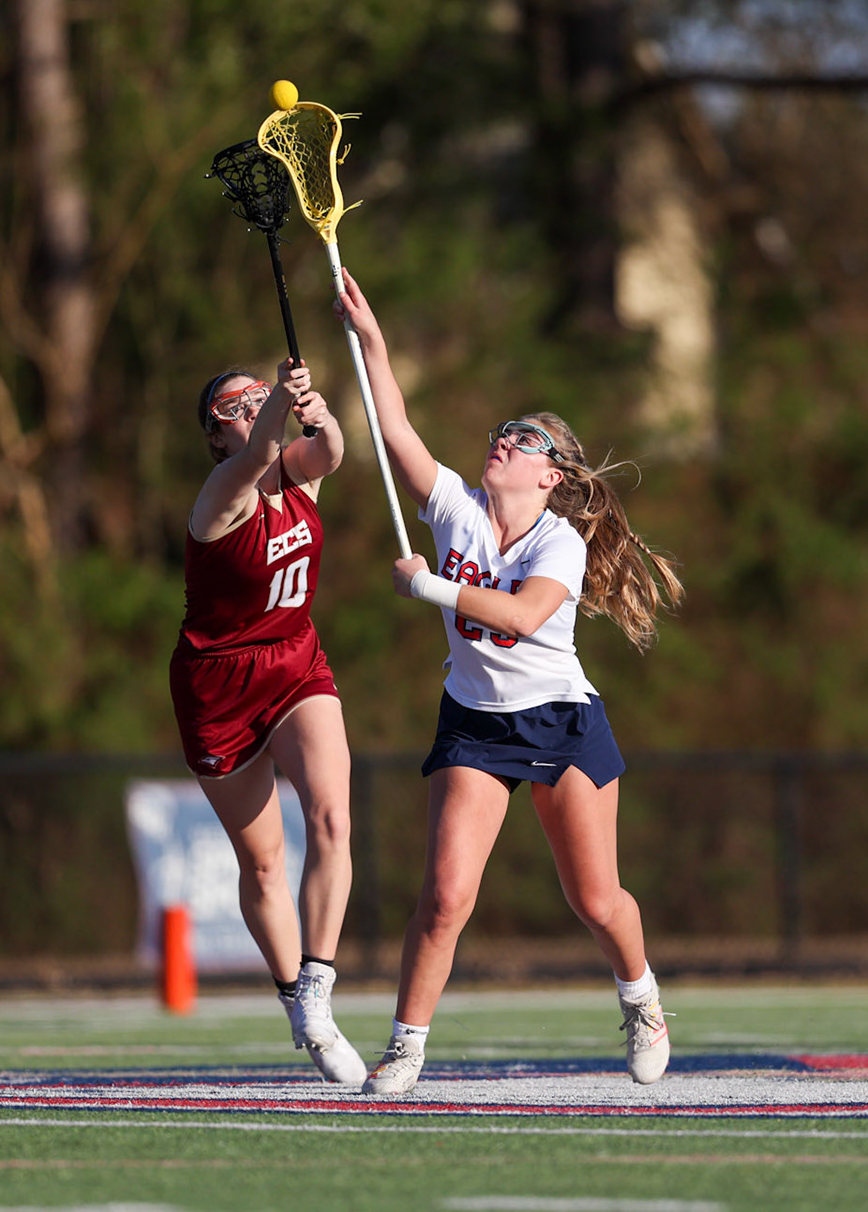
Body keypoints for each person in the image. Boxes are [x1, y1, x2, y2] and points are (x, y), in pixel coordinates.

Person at [332, 270, 685, 1096]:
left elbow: (524, 618)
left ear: (551, 473)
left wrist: (433, 589)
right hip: (476, 723)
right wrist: (373, 342)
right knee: (446, 896)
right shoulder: (454, 509)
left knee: (596, 900)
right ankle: (407, 1047)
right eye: (501, 432)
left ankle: (642, 998)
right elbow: (396, 432)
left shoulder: (557, 543)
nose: (502, 441)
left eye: (523, 440)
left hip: (560, 721)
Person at [171, 356, 368, 1084]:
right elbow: (261, 452)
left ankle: (318, 984)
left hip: (293, 659)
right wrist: (278, 414)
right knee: (261, 861)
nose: (250, 409)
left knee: (331, 819)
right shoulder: (224, 491)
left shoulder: (297, 470)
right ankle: (293, 996)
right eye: (234, 406)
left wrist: (314, 407)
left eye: (257, 396)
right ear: (216, 438)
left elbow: (334, 451)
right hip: (217, 684)